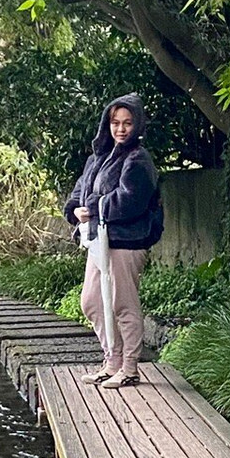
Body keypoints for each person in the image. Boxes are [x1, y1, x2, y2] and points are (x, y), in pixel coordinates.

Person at [63, 93, 163, 389]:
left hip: (127, 241)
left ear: (137, 125)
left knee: (123, 303)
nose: (121, 129)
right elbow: (80, 191)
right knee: (92, 301)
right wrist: (75, 209)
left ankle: (130, 368)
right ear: (107, 124)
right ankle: (112, 362)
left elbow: (131, 201)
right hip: (98, 240)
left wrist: (93, 206)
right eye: (116, 123)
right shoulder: (98, 158)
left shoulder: (139, 160)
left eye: (128, 123)